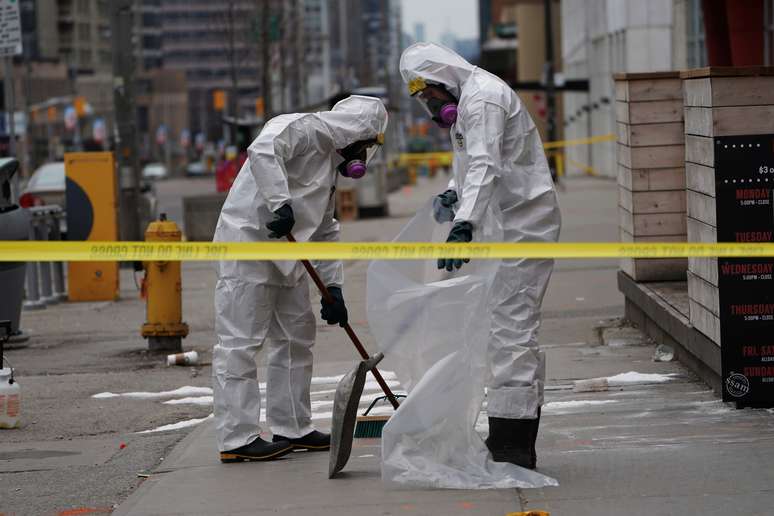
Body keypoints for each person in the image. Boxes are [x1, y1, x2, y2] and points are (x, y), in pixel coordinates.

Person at [399, 42, 561, 470]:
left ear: (443, 79)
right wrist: (455, 194)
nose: (432, 108)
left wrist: (464, 223)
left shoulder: (483, 97)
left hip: (522, 228)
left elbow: (487, 163)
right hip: (502, 227)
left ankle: (514, 445)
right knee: (500, 330)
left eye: (431, 97)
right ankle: (508, 433)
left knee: (512, 330)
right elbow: (470, 165)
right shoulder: (468, 101)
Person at [212, 95, 388, 463]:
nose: (364, 157)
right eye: (368, 146)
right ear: (358, 135)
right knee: (240, 343)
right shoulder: (301, 129)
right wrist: (280, 203)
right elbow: (262, 150)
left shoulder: (328, 167)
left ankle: (293, 427)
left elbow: (325, 229)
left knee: (296, 339)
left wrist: (334, 287)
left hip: (289, 259)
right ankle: (237, 437)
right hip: (249, 247)